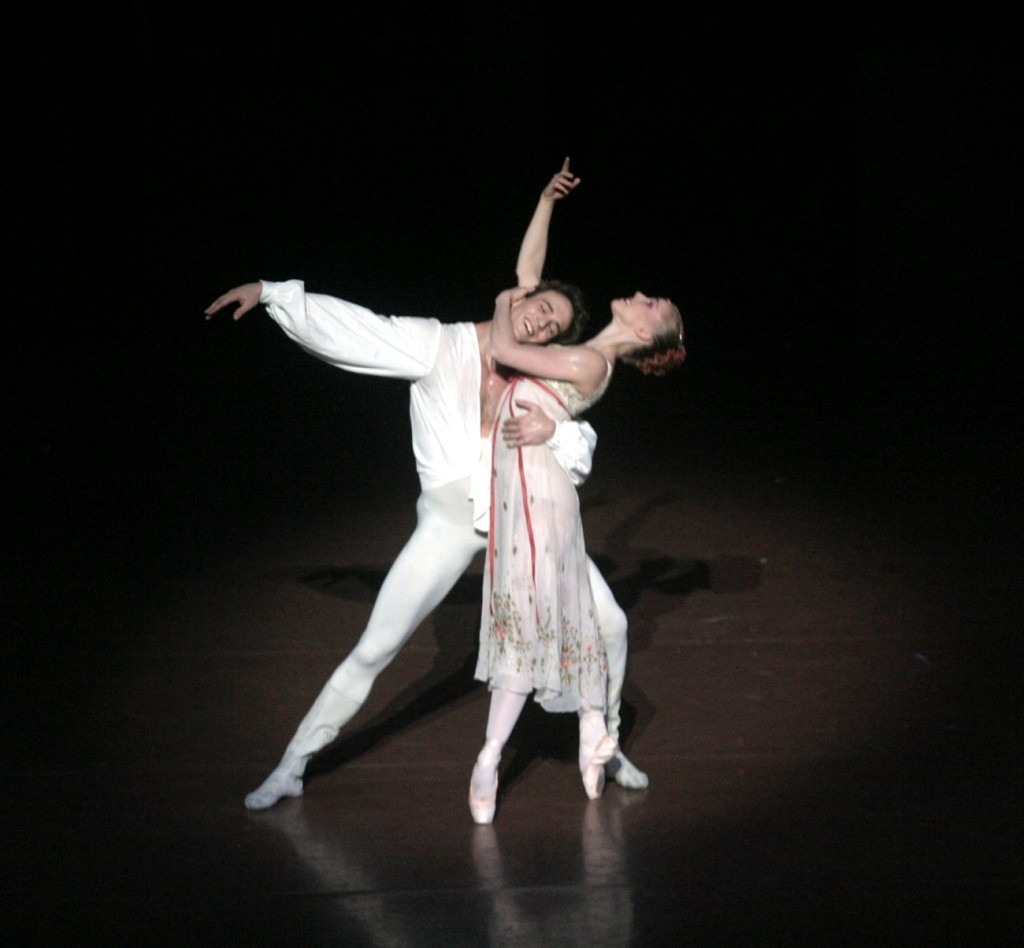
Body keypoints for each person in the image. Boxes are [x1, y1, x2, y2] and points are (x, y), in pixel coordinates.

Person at [204, 166, 650, 812]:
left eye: (554, 326)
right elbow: (362, 329)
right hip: (449, 526)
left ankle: (604, 749)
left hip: (526, 522)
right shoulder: (438, 346)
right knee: (375, 647)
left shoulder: (544, 375)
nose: (543, 326)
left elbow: (580, 418)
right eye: (540, 310)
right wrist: (275, 294)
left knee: (610, 625)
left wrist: (555, 425)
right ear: (518, 299)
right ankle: (291, 766)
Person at [467, 213, 686, 822]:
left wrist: (506, 300)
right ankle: (591, 731)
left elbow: (505, 345)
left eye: (651, 302)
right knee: (567, 617)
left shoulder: (592, 364)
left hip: (541, 498)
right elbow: (529, 278)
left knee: (531, 621)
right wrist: (543, 203)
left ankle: (490, 761)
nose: (641, 296)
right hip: (523, 492)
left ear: (645, 329)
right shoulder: (581, 352)